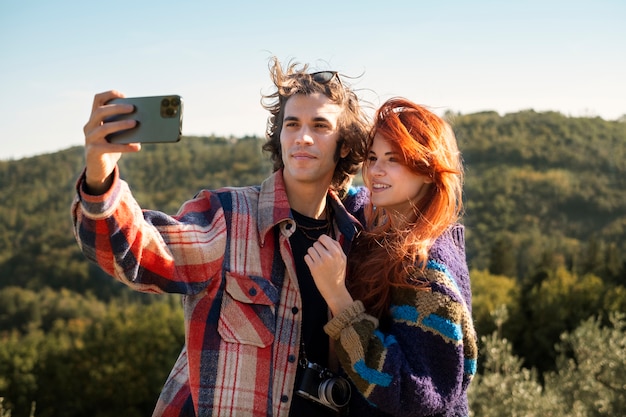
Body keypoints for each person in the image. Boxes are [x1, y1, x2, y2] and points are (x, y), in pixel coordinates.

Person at [71, 57, 370, 416]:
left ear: (345, 144)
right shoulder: (228, 217)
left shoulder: (355, 239)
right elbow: (137, 252)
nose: (302, 136)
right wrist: (99, 177)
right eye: (292, 123)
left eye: (320, 125)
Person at [305, 97, 478, 416]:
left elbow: (411, 391)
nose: (375, 171)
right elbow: (349, 198)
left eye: (393, 159)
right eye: (372, 157)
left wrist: (337, 298)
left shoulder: (429, 270)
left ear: (428, 171)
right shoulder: (380, 218)